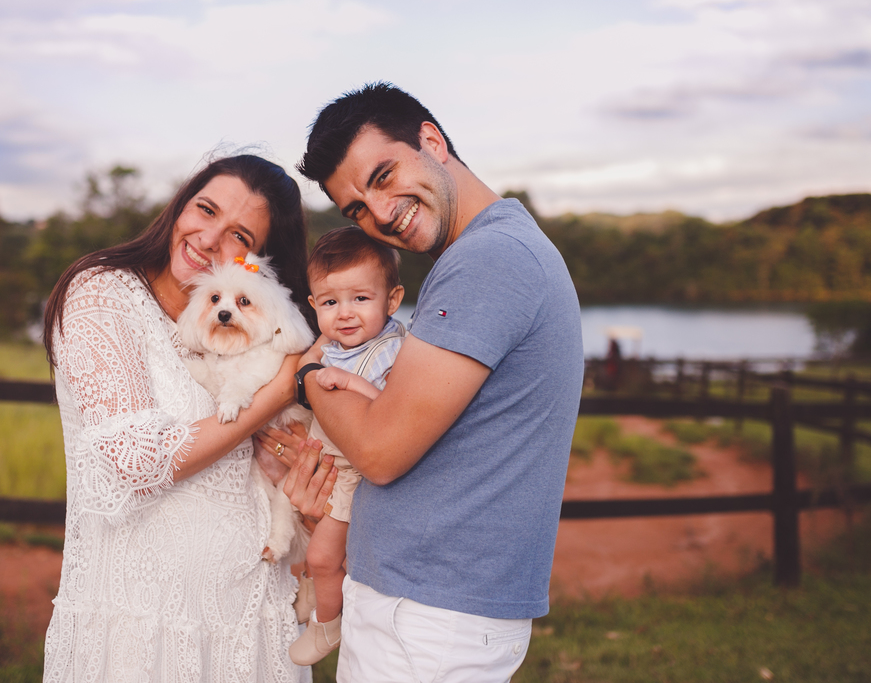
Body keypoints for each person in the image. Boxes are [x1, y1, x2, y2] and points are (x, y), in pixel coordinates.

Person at [295, 83, 584, 682]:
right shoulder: (498, 250)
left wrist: (306, 375)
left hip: (430, 615)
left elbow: (379, 450)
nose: (378, 214)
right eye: (355, 209)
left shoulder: (488, 259)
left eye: (382, 175)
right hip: (427, 608)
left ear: (431, 139)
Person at [40, 154, 336, 683]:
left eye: (239, 235)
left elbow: (287, 461)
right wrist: (277, 390)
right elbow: (137, 460)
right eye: (205, 210)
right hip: (144, 623)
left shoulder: (259, 329)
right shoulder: (103, 295)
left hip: (253, 618)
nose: (208, 238)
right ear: (181, 204)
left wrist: (302, 489)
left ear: (256, 262)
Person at [288, 226, 406, 665]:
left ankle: (325, 627)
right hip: (327, 458)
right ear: (315, 305)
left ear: (391, 301)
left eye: (361, 298)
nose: (346, 313)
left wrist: (351, 382)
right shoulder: (333, 344)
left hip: (352, 470)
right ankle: (311, 592)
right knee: (304, 530)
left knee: (322, 553)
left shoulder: (391, 352)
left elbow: (397, 412)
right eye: (331, 302)